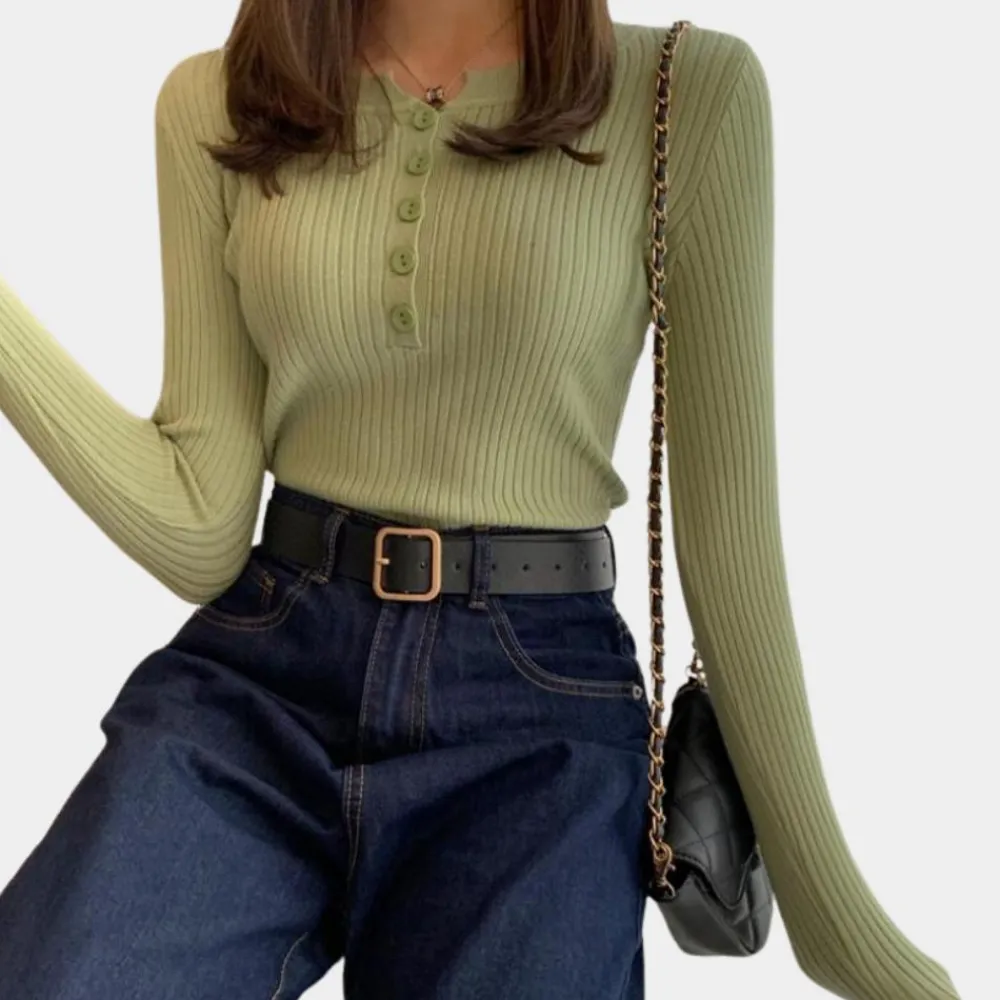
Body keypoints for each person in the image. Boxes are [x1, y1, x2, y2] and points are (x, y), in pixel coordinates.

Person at [0, 1, 963, 998]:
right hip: (264, 680)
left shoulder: (687, 95)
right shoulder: (219, 100)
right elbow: (199, 524)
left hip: (536, 709)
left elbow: (729, 544)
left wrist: (836, 930)